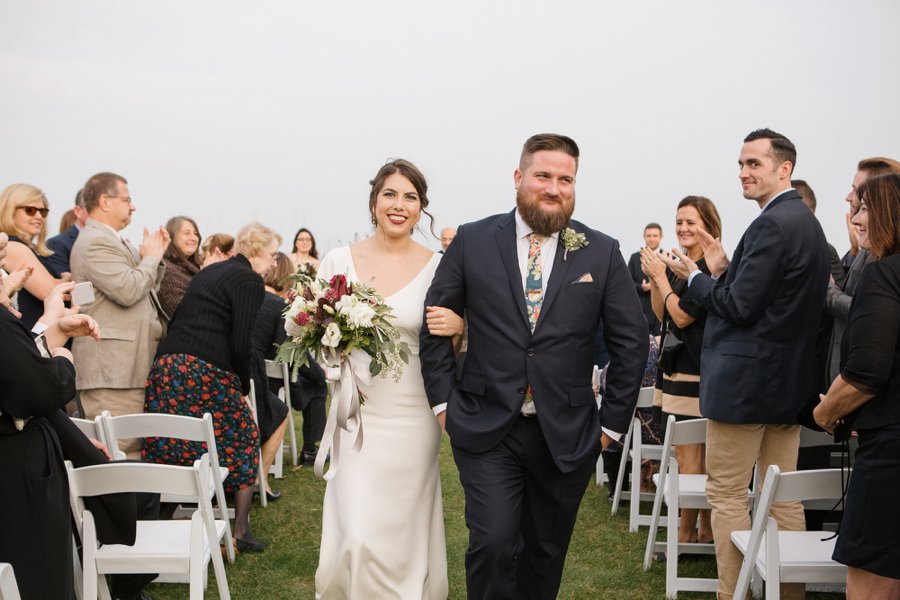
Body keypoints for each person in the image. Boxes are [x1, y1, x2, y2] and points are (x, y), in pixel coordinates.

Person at [420, 133, 648, 599]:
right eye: (543, 175)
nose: (554, 187)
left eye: (566, 179)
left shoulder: (600, 252)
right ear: (519, 177)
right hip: (486, 425)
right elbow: (434, 325)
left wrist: (612, 428)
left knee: (545, 553)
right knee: (493, 542)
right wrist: (444, 404)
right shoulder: (473, 240)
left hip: (566, 432)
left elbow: (631, 343)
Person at [660, 129, 830, 600]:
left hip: (746, 387)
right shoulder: (805, 222)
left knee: (728, 493)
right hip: (787, 384)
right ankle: (788, 592)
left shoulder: (772, 223)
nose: (743, 172)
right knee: (783, 495)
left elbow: (739, 308)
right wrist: (720, 268)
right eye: (740, 164)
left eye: (754, 163)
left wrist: (693, 277)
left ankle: (733, 593)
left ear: (784, 169)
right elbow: (764, 299)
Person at [315, 159, 462, 599]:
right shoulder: (339, 261)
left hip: (414, 413)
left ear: (422, 209)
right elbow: (315, 333)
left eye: (410, 197)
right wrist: (332, 353)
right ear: (374, 201)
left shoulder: (440, 266)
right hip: (355, 410)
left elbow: (449, 346)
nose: (399, 205)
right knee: (358, 530)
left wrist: (459, 329)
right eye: (390, 195)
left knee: (403, 527)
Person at [143, 222, 279, 554]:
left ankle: (157, 525)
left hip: (166, 366)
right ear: (257, 250)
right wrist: (243, 386)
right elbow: (241, 339)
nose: (276, 262)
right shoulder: (249, 280)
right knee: (244, 436)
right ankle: (241, 531)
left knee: (170, 442)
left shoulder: (211, 271)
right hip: (204, 368)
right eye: (273, 254)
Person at [814, 172, 900, 599]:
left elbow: (866, 372)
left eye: (863, 207)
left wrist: (825, 412)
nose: (855, 216)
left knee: (871, 581)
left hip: (890, 454)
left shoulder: (883, 274)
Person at [70, 172, 169, 457]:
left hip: (125, 370)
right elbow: (128, 290)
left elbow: (144, 288)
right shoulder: (95, 242)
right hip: (112, 373)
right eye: (127, 200)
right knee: (120, 454)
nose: (133, 207)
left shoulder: (113, 240)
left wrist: (154, 259)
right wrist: (150, 257)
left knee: (133, 451)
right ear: (105, 201)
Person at [641, 196, 721, 545]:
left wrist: (662, 276)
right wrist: (660, 278)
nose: (683, 228)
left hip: (695, 369)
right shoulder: (684, 265)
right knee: (692, 457)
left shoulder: (708, 269)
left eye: (690, 221)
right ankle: (703, 529)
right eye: (679, 222)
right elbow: (663, 313)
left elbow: (685, 316)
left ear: (709, 225)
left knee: (691, 457)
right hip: (677, 368)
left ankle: (686, 532)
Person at [824, 157, 900, 387]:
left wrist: (827, 290)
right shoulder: (868, 246)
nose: (849, 197)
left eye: (858, 191)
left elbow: (866, 309)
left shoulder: (884, 261)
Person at [260, 252, 326, 465]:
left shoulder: (249, 298)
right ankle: (310, 449)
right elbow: (295, 355)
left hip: (254, 374)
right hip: (275, 382)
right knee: (318, 384)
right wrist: (319, 373)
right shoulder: (280, 308)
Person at [0, 183, 73, 328]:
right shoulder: (13, 247)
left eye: (43, 212)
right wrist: (67, 277)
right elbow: (51, 291)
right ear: (10, 210)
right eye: (30, 210)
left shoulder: (27, 247)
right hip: (30, 335)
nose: (39, 217)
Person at [249, 251, 291, 500]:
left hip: (234, 372)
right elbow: (282, 353)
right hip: (259, 379)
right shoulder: (280, 307)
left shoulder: (246, 297)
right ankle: (260, 478)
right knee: (281, 410)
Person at [157, 215, 202, 318]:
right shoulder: (166, 268)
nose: (193, 238)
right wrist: (207, 277)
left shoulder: (194, 268)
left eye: (196, 234)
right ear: (171, 237)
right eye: (187, 233)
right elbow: (181, 312)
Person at [628, 222, 664, 335]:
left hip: (660, 312)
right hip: (639, 312)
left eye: (655, 236)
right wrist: (642, 287)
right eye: (649, 236)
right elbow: (627, 283)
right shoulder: (634, 258)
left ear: (661, 237)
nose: (651, 239)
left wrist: (654, 285)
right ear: (644, 237)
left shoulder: (667, 258)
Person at [45, 189, 88, 276]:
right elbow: (65, 283)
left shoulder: (113, 241)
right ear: (78, 211)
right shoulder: (57, 244)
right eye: (93, 209)